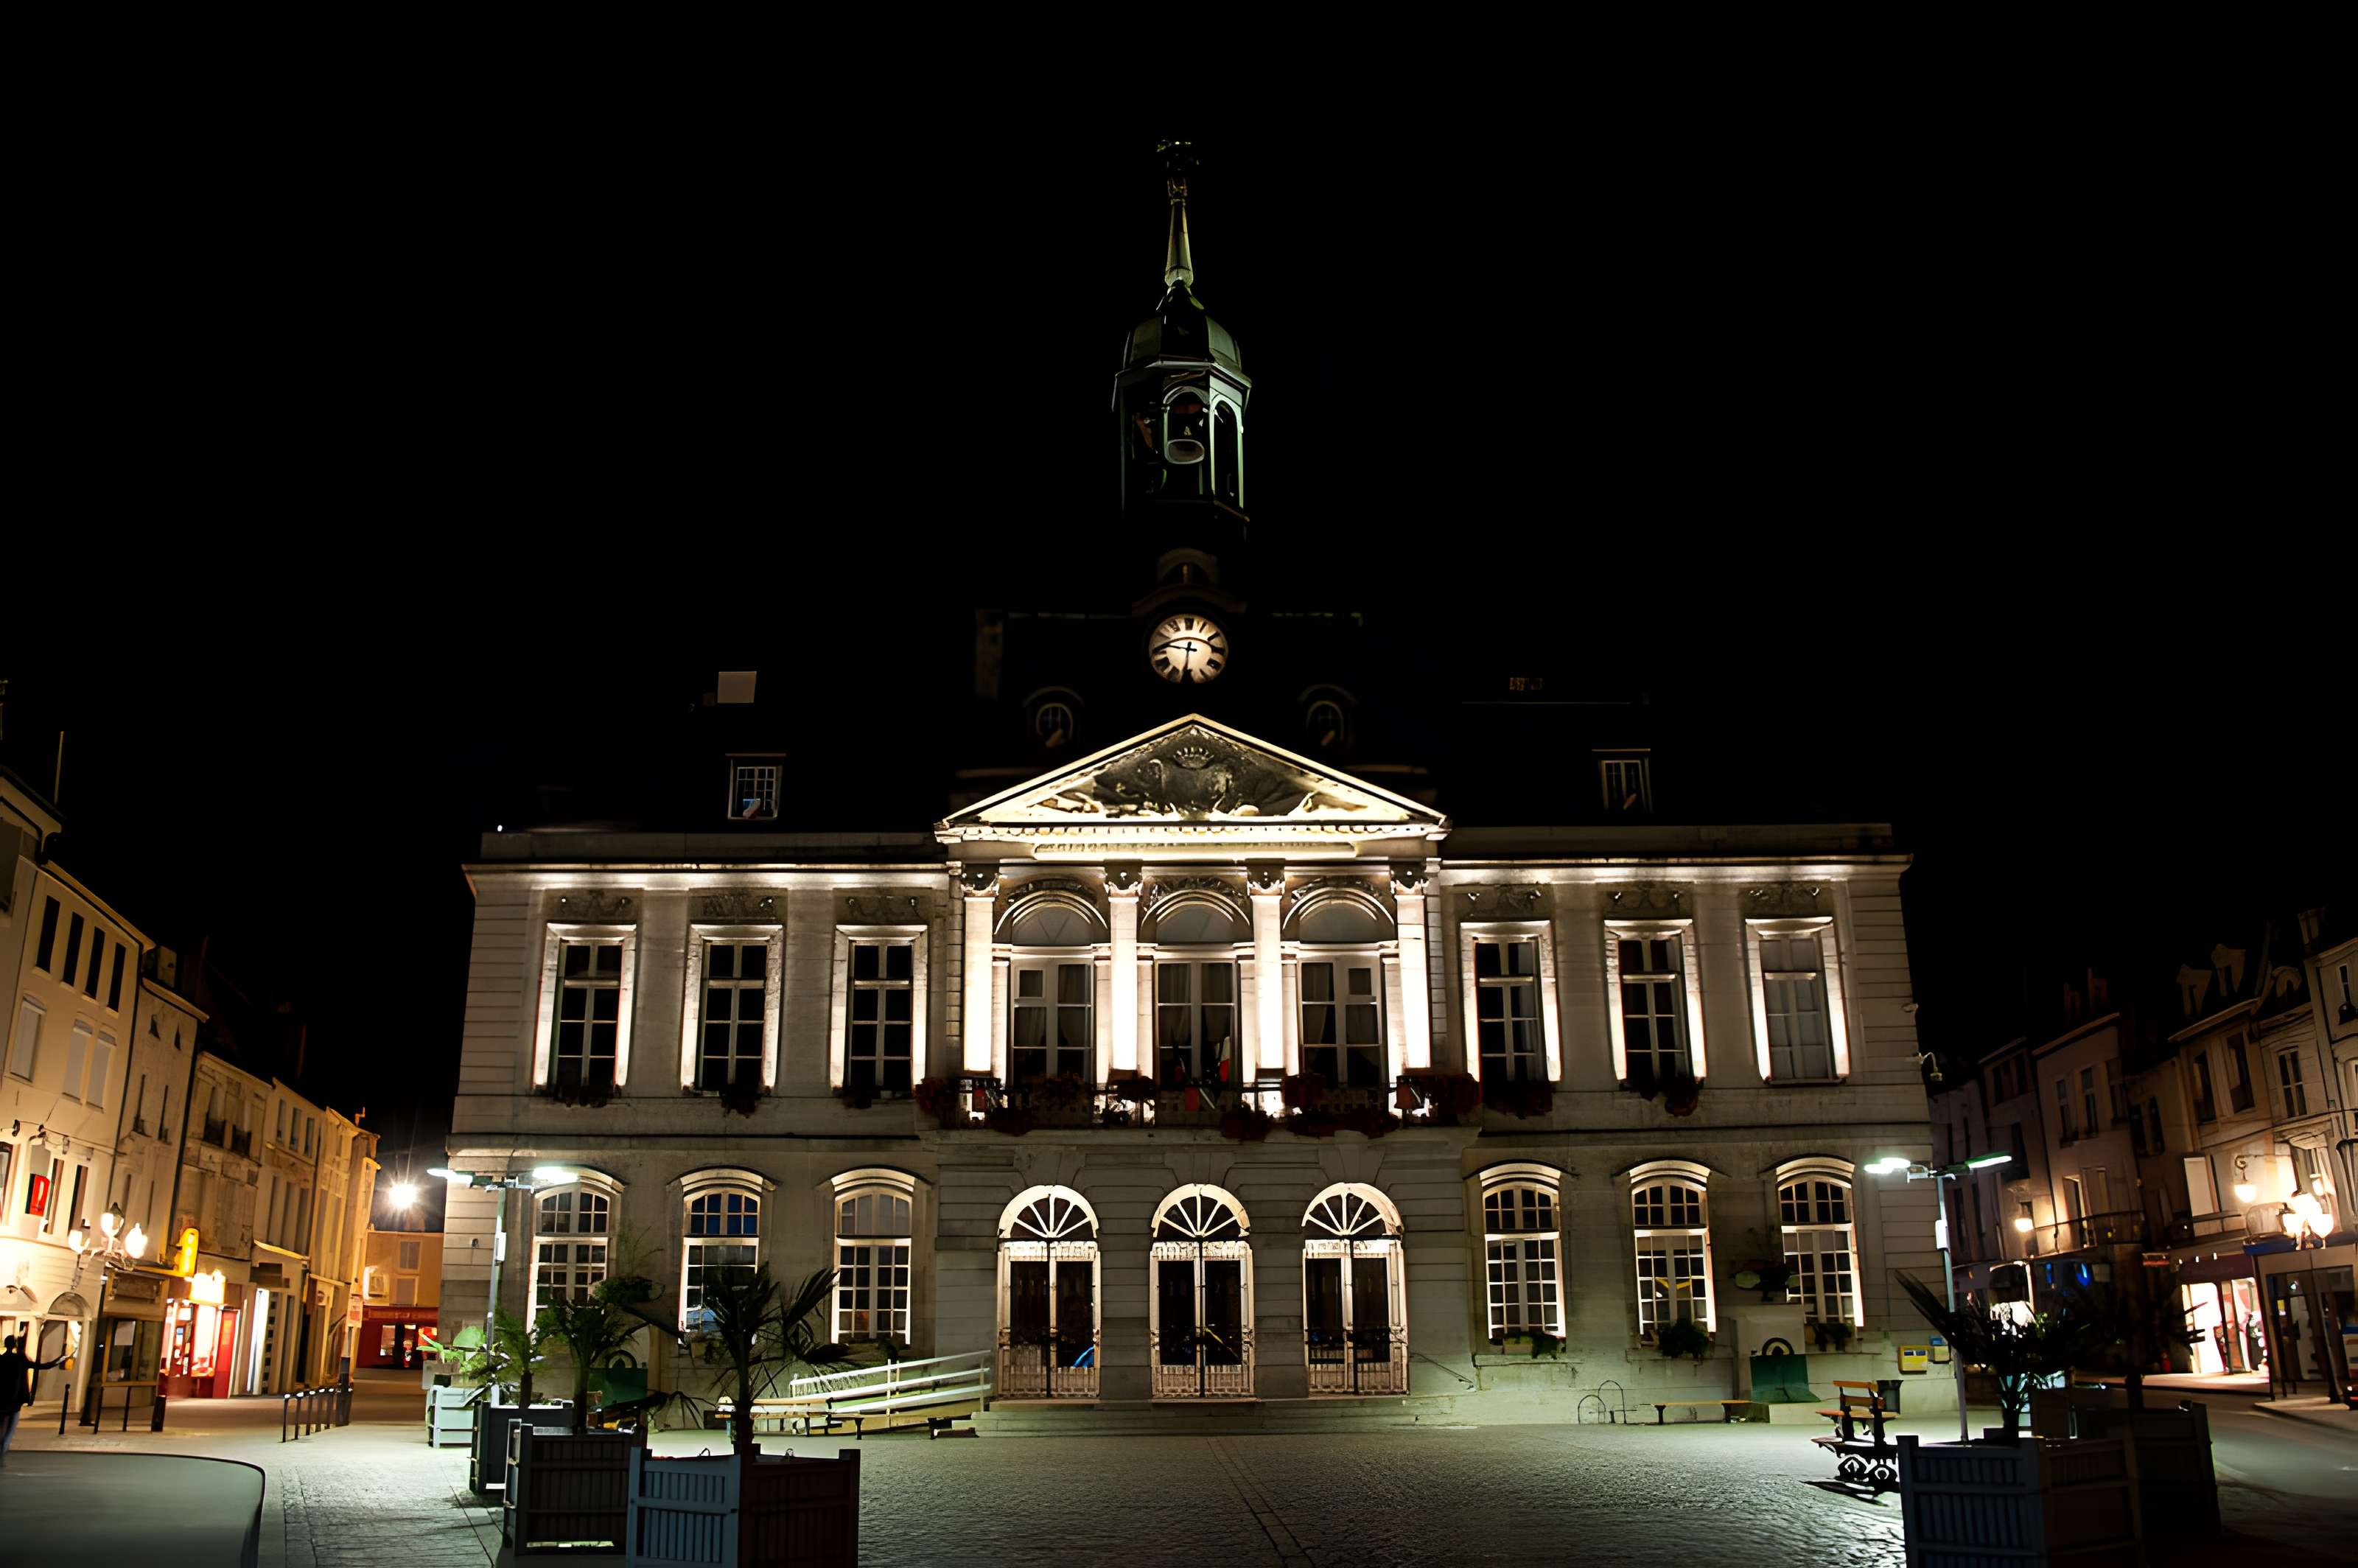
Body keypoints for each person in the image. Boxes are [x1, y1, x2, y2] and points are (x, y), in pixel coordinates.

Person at [1, 1333, 68, 1468]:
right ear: (14, 1345)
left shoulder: (1, 1360)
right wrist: (59, 1360)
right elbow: (42, 1366)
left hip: (2, 1399)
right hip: (15, 1399)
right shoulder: (20, 1359)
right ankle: (2, 1451)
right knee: (10, 1429)